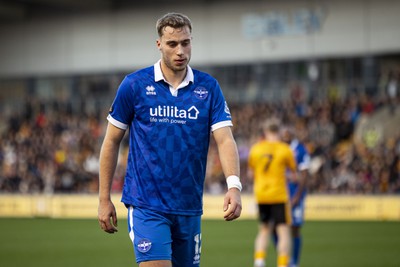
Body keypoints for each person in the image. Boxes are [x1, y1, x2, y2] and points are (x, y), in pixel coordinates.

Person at [97, 12, 242, 267]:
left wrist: (234, 186)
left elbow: (225, 140)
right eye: (172, 44)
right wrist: (103, 198)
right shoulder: (134, 85)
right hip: (146, 203)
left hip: (189, 206)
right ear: (159, 44)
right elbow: (110, 141)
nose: (180, 51)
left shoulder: (208, 88)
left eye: (185, 43)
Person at [248, 119, 297, 267]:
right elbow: (294, 175)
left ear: (265, 132)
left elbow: (251, 174)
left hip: (262, 195)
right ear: (280, 132)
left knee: (264, 230)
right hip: (279, 195)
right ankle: (282, 264)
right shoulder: (285, 149)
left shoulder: (256, 149)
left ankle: (259, 261)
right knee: (283, 232)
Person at [281, 126, 310, 267]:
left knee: (295, 228)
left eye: (287, 134)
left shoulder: (300, 149)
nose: (284, 137)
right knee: (278, 227)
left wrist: (298, 195)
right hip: (280, 194)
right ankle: (284, 259)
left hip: (295, 194)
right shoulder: (280, 148)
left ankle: (295, 262)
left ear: (292, 134)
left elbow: (304, 174)